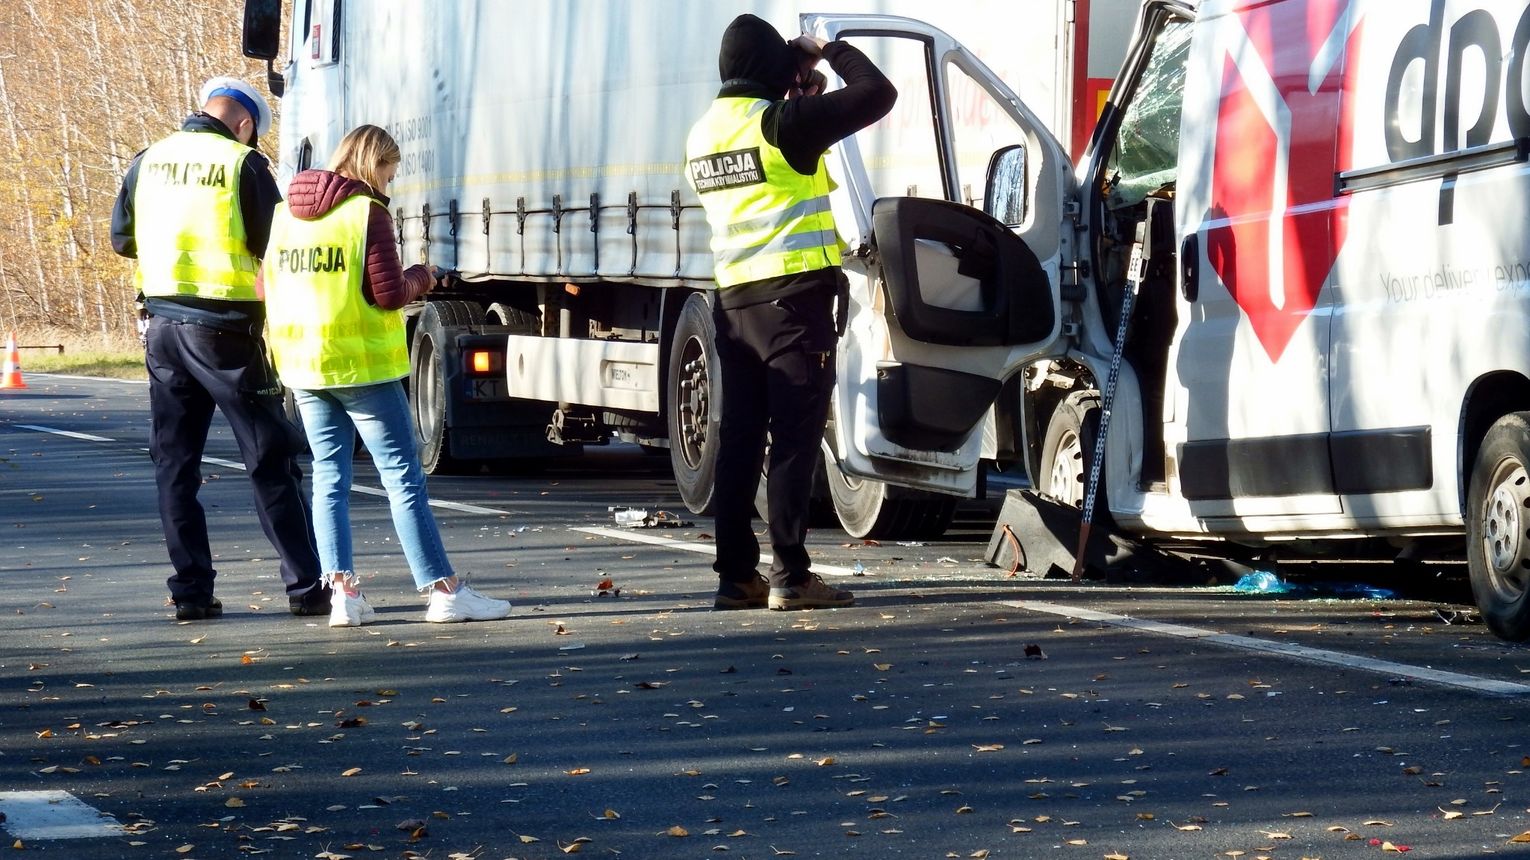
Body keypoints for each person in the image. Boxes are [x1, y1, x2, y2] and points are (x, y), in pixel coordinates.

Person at [259, 124, 512, 627]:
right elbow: (389, 293)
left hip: (305, 367)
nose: (389, 184)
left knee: (329, 478)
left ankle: (343, 595)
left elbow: (265, 287)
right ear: (373, 164)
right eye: (390, 173)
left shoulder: (284, 215)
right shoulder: (365, 212)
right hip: (363, 368)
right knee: (403, 478)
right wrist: (425, 275)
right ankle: (444, 591)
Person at [684, 15, 896, 610]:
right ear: (772, 66)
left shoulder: (703, 134)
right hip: (793, 305)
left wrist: (792, 86)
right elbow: (877, 93)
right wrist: (827, 49)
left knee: (740, 440)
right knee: (795, 441)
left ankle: (736, 578)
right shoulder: (780, 125)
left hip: (734, 305)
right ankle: (791, 577)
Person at [111, 76, 329, 622]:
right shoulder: (242, 164)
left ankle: (191, 592)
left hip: (162, 328)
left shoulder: (147, 160)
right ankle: (307, 587)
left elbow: (122, 240)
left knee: (175, 464)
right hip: (224, 332)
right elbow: (275, 244)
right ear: (246, 123)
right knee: (269, 458)